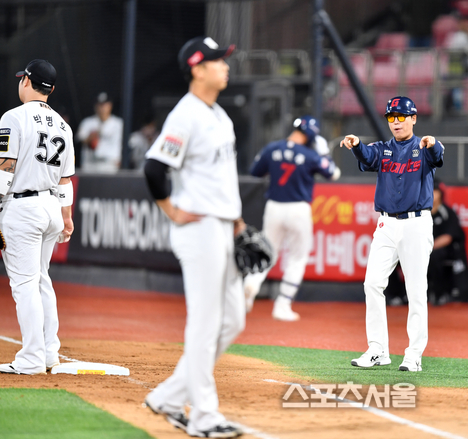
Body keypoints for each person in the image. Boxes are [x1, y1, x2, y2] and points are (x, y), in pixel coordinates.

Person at [142, 36, 244, 438]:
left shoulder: (219, 114)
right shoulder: (185, 115)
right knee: (204, 324)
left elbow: (222, 179)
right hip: (198, 230)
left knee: (232, 320)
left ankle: (168, 397)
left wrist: (237, 222)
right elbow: (154, 168)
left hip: (222, 226)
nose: (226, 66)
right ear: (198, 69)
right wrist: (172, 210)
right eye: (218, 61)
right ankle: (204, 417)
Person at [341, 96, 444, 372]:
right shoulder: (383, 149)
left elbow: (437, 156)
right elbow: (368, 156)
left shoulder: (424, 145)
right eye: (391, 117)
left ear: (413, 118)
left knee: (416, 290)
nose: (396, 122)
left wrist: (433, 143)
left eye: (401, 116)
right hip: (386, 224)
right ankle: (378, 350)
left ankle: (414, 354)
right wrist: (356, 145)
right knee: (372, 283)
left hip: (416, 223)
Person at [0, 59, 75, 375]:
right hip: (51, 209)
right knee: (41, 279)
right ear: (51, 89)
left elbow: (5, 168)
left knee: (25, 284)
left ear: (27, 81)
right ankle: (48, 353)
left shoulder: (13, 117)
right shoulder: (63, 126)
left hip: (22, 208)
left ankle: (31, 358)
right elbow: (65, 180)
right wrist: (67, 217)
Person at [243, 116, 341, 321]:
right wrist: (324, 153)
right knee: (297, 258)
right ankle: (283, 305)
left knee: (267, 252)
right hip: (298, 209)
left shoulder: (272, 148)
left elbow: (255, 172)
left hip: (274, 207)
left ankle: (250, 285)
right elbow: (333, 174)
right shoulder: (311, 155)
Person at [428, 180, 468, 306]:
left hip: (444, 251)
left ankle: (439, 294)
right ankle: (402, 295)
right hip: (424, 249)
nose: (431, 194)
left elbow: (448, 237)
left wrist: (429, 247)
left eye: (434, 191)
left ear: (440, 194)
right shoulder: (421, 213)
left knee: (435, 256)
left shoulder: (447, 213)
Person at [76, 92, 123, 173]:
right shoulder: (87, 122)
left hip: (110, 164)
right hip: (90, 164)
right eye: (100, 105)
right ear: (95, 106)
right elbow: (80, 139)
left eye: (105, 105)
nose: (102, 108)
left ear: (110, 106)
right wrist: (91, 137)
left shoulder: (118, 124)